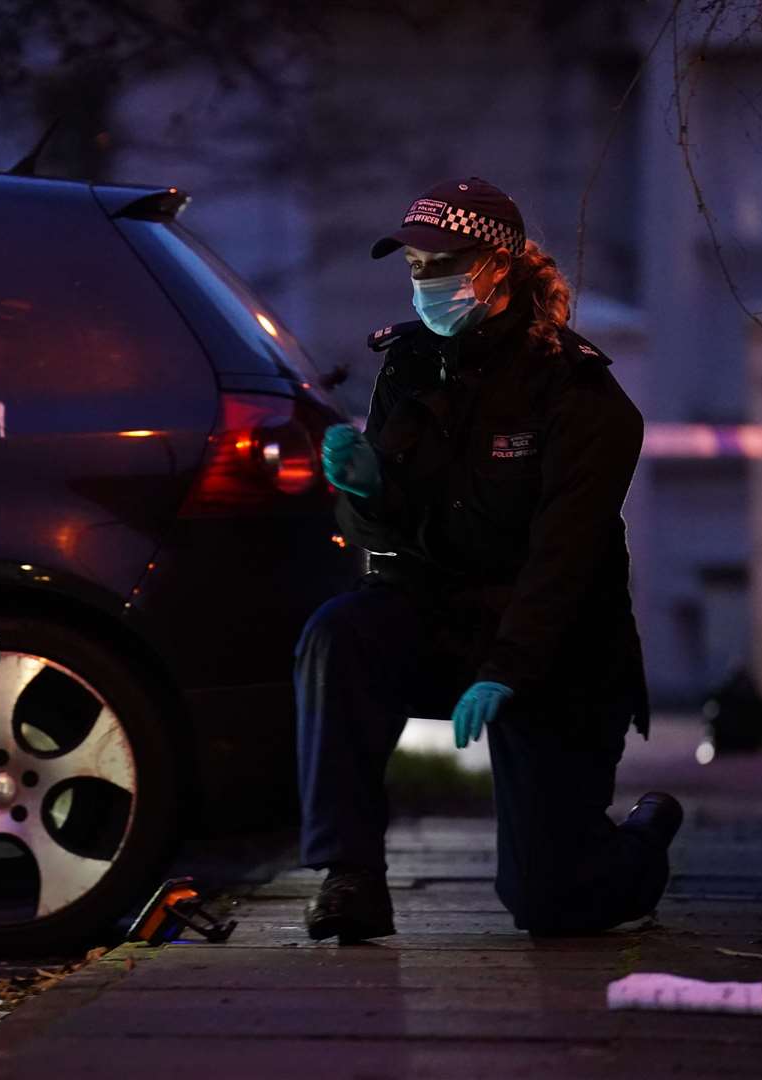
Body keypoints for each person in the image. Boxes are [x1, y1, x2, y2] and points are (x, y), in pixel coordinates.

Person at [296, 177, 682, 941]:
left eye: (438, 266)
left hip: (557, 651)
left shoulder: (578, 394)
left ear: (496, 268)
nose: (420, 282)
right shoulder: (409, 366)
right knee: (338, 633)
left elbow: (564, 559)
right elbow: (389, 542)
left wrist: (508, 666)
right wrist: (364, 493)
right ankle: (348, 878)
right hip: (443, 620)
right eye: (412, 265)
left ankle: (641, 842)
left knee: (552, 904)